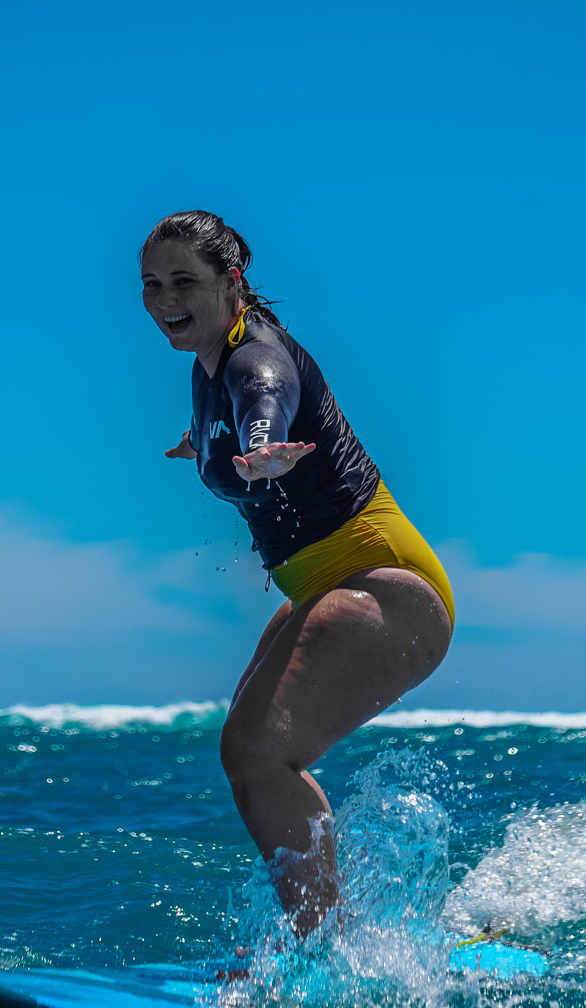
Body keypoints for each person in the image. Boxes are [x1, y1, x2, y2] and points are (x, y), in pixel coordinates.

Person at [142, 210, 455, 933]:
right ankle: (334, 935)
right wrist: (205, 446)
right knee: (243, 750)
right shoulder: (206, 365)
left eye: (184, 281)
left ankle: (325, 952)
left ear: (232, 280)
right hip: (332, 587)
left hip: (391, 589)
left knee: (260, 751)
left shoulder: (257, 360)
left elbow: (266, 404)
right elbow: (233, 418)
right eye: (152, 284)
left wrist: (262, 445)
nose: (164, 300)